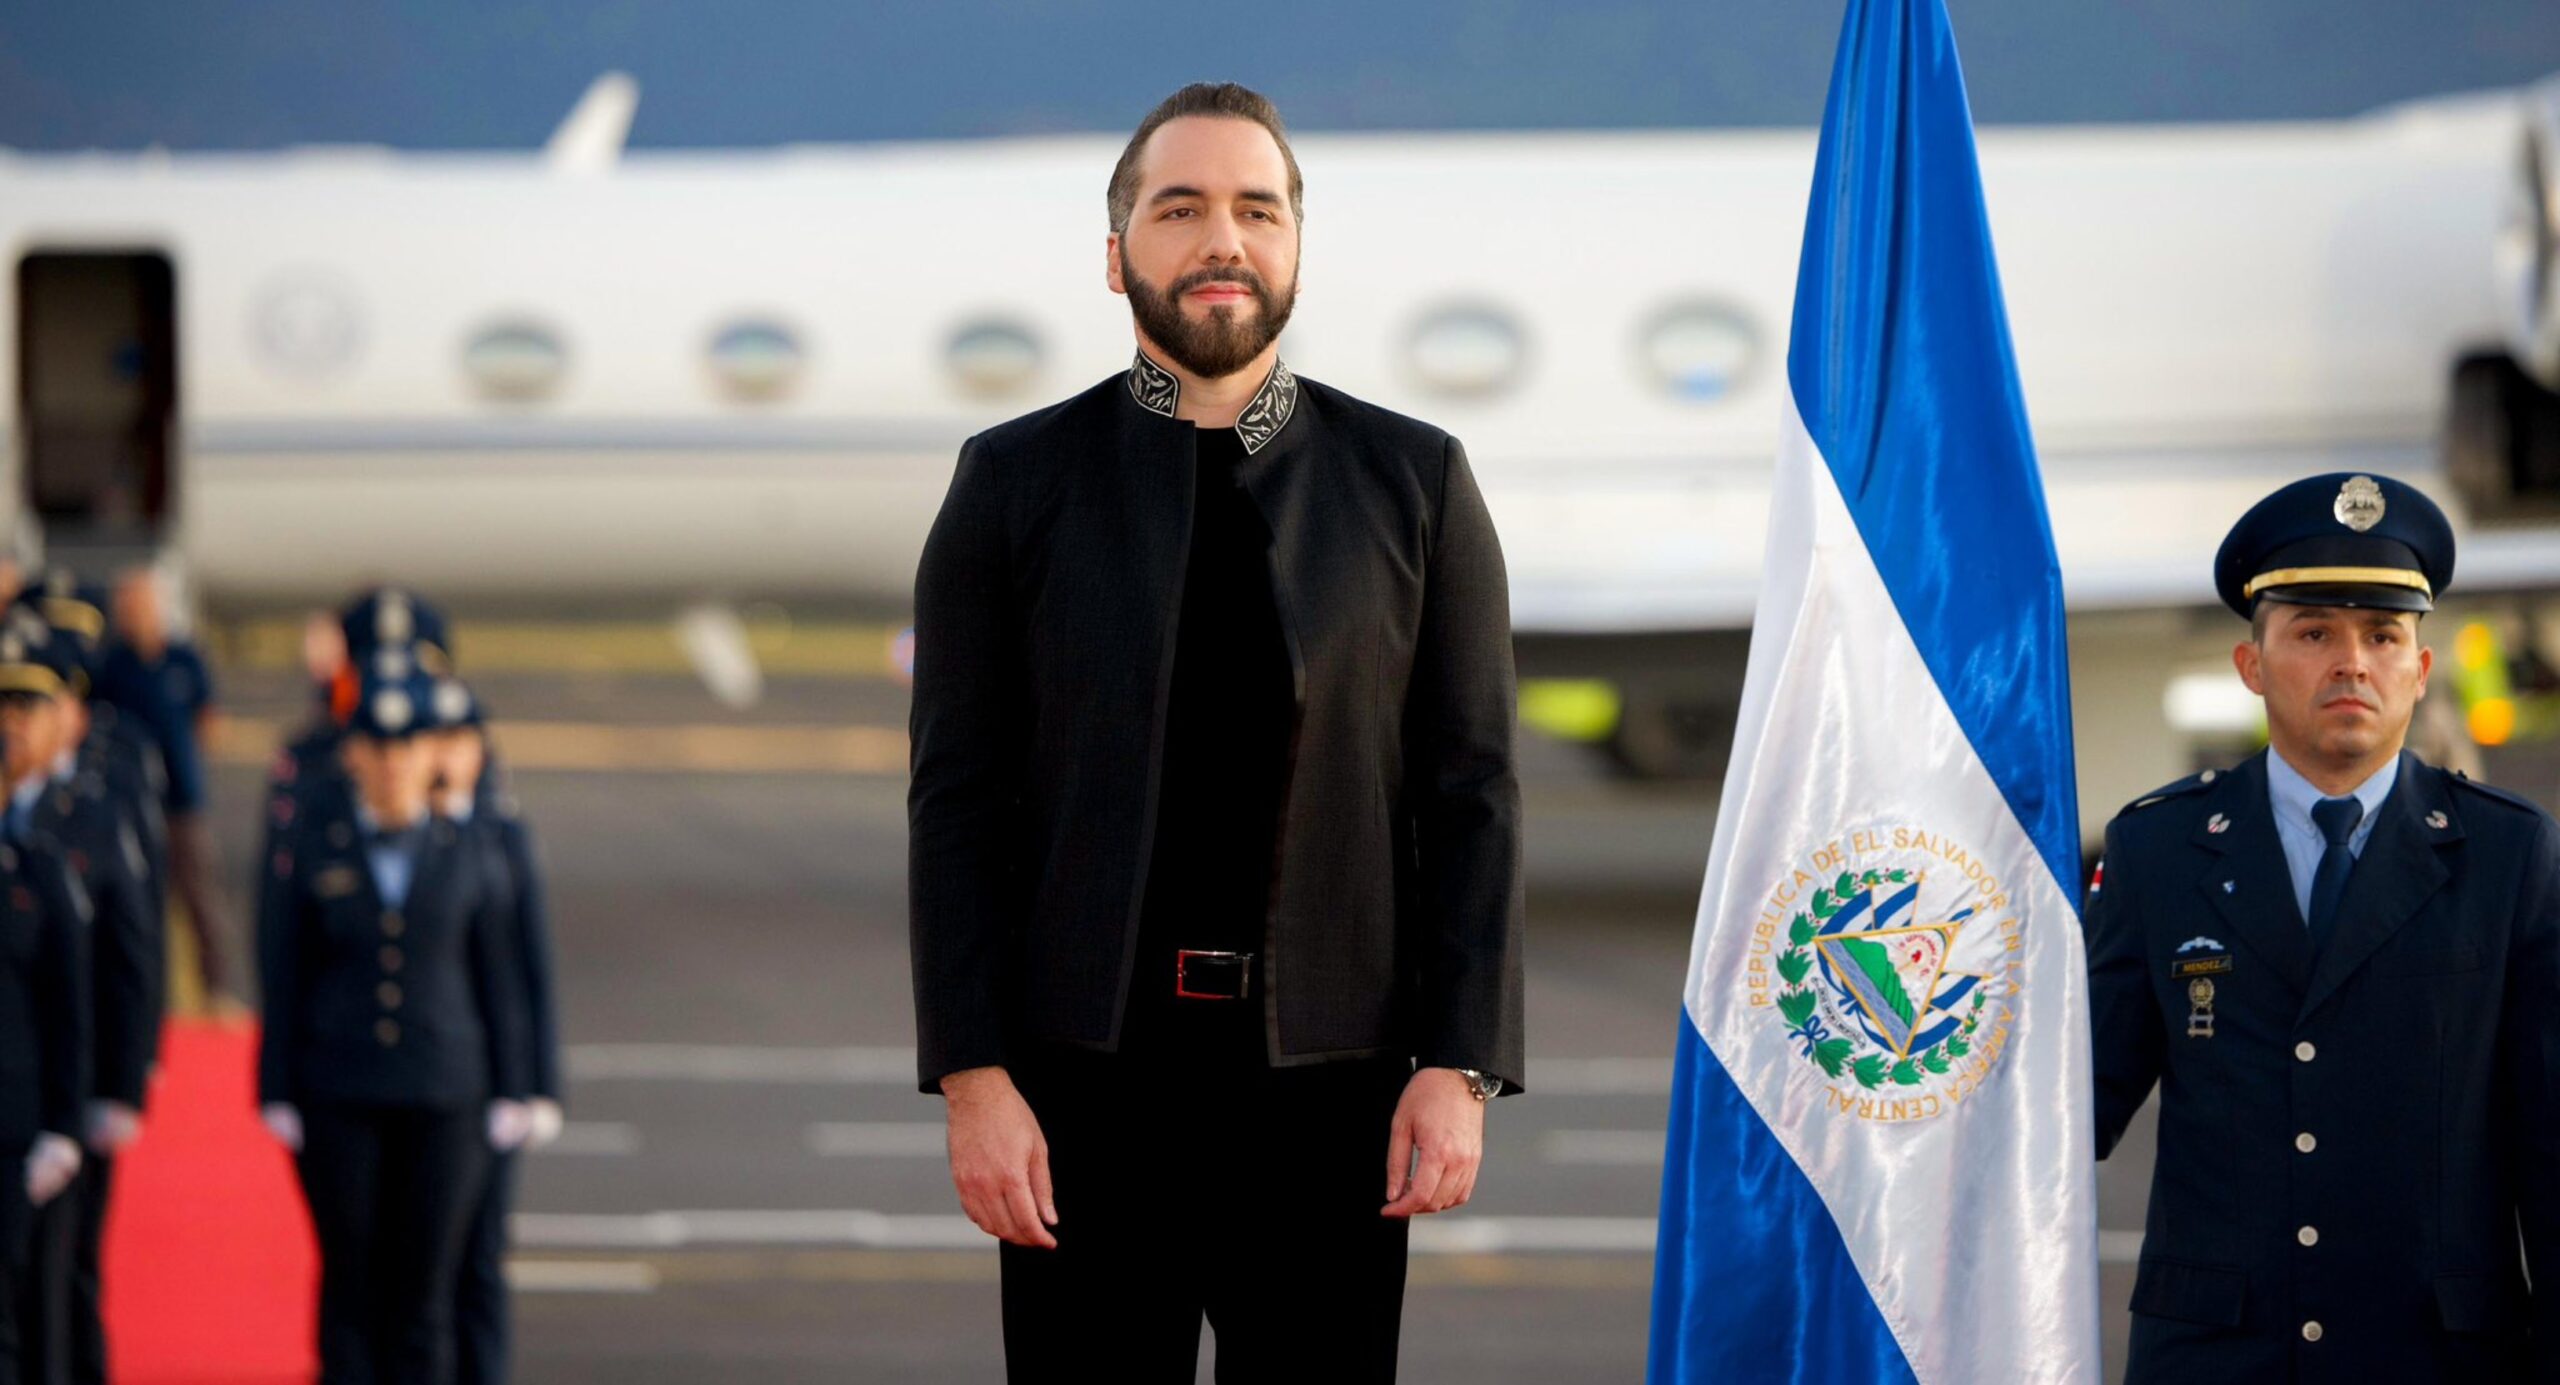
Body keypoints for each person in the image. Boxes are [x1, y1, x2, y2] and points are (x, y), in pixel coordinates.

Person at [908, 82, 1524, 1382]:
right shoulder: (1010, 484)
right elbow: (955, 806)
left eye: (1256, 209)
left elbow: (1472, 794)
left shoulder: (1415, 483)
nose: (1222, 240)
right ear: (1117, 253)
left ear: (1296, 246)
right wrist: (974, 1078)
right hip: (1081, 1095)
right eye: (1179, 208)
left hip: (1335, 1097)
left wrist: (1461, 1064)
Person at [2085, 472, 2560, 1380]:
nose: (2353, 662)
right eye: (2314, 633)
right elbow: (2070, 1115)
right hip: (2216, 1360)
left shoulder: (2509, 855)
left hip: (2438, 1359)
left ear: (2420, 670)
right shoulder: (2160, 851)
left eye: (2382, 635)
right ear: (2251, 665)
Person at [257, 667, 532, 1385]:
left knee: (424, 1292)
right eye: (376, 747)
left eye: (406, 746)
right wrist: (276, 1083)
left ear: (428, 754)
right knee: (350, 1282)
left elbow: (499, 976)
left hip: (444, 1094)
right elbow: (285, 971)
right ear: (352, 754)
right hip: (341, 1090)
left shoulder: (471, 845)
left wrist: (518, 1086)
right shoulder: (317, 843)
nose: (391, 763)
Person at [0, 608, 157, 1385]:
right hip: (15, 1085)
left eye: (29, 704)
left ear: (69, 714)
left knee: (63, 1277)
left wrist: (121, 1085)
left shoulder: (91, 816)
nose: (13, 723)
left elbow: (129, 957)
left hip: (68, 1085)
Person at [424, 675, 562, 1385]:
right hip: (417, 1082)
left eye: (461, 739)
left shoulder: (502, 837)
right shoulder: (395, 837)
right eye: (435, 739)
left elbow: (532, 970)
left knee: (478, 1260)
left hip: (487, 1086)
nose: (447, 755)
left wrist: (536, 1086)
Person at [0, 625, 90, 1385]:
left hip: (12, 1126)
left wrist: (64, 1124)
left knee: (17, 1310)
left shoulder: (36, 869)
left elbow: (70, 1007)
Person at [95, 569, 226, 1002]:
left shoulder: (185, 658)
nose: (133, 613)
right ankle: (149, 993)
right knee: (137, 904)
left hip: (182, 801)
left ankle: (216, 990)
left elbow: (208, 718)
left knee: (200, 898)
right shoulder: (113, 666)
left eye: (140, 604)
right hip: (128, 805)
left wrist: (190, 757)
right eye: (127, 605)